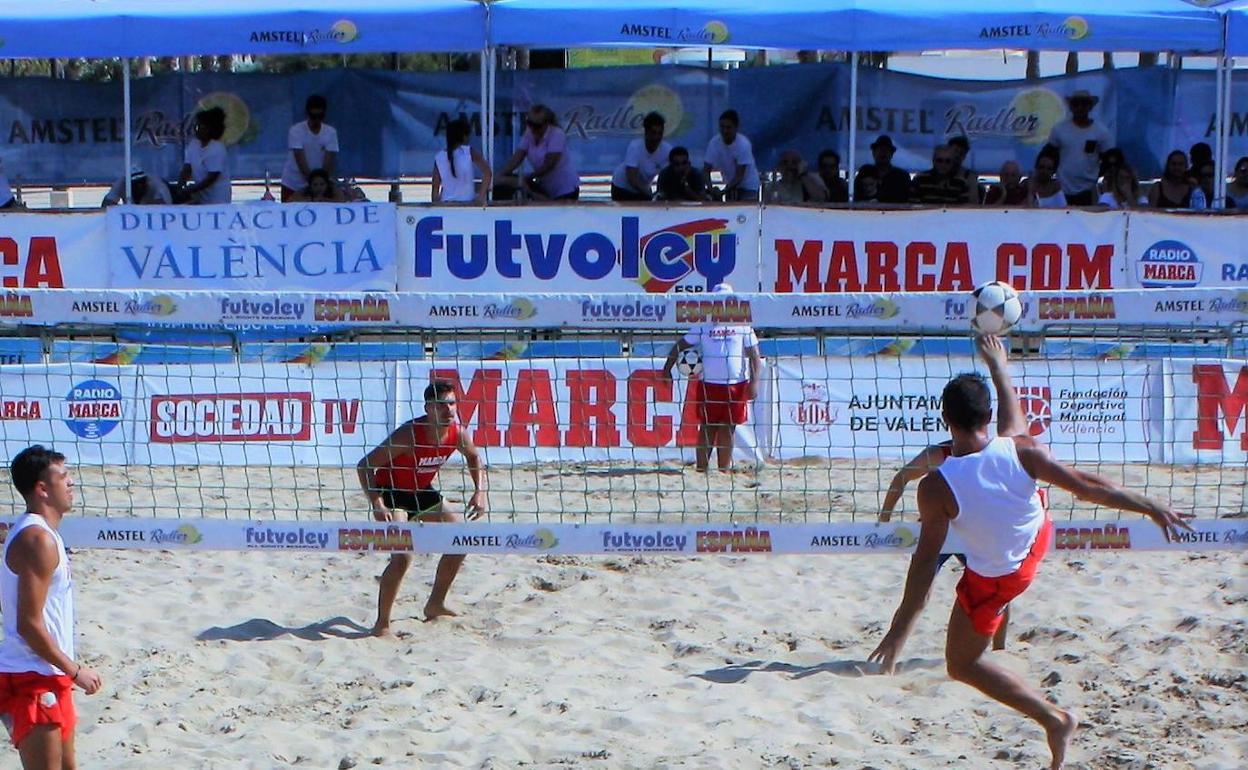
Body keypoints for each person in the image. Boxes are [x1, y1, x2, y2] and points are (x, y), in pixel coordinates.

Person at [868, 348, 1192, 770]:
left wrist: (898, 627)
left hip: (999, 576)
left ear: (945, 419)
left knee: (962, 664)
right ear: (987, 417)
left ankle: (1054, 719)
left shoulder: (934, 487)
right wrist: (1149, 505)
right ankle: (1000, 368)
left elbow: (925, 563)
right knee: (1020, 444)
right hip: (1037, 540)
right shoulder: (1023, 450)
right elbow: (1089, 488)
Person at [878, 336, 1023, 652]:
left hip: (964, 531)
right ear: (986, 417)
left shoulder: (972, 454)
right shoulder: (959, 453)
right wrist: (883, 520)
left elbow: (900, 479)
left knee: (927, 592)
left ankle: (999, 650)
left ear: (946, 418)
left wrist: (884, 518)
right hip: (947, 530)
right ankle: (997, 651)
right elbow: (900, 478)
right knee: (926, 593)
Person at [0, 445, 103, 769]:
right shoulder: (37, 540)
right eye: (64, 476)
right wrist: (76, 671)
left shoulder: (44, 534)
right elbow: (28, 624)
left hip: (48, 672)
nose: (71, 482)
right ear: (42, 489)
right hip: (30, 678)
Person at [357, 381, 486, 635]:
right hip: (392, 492)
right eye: (441, 405)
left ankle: (435, 604)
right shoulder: (409, 435)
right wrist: (377, 503)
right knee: (402, 556)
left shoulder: (457, 433)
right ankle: (382, 625)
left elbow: (473, 456)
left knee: (461, 540)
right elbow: (365, 465)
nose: (449, 410)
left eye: (452, 404)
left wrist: (479, 491)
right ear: (428, 408)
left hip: (421, 491)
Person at [660, 283, 762, 472]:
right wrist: (667, 369)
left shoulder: (742, 324)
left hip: (736, 384)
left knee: (728, 428)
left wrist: (755, 382)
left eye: (726, 300)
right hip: (709, 385)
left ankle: (723, 470)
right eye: (719, 301)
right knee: (707, 427)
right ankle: (702, 469)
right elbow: (680, 345)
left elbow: (755, 355)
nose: (723, 304)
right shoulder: (703, 323)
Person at [498, 104, 580, 202]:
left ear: (547, 124)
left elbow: (549, 165)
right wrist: (501, 175)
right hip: (546, 187)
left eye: (537, 126)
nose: (532, 128)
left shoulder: (557, 134)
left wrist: (527, 178)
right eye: (529, 123)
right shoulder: (529, 134)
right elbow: (517, 158)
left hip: (565, 188)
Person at [1046, 90, 1112, 206]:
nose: (1080, 107)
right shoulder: (1059, 129)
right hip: (1062, 189)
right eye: (1076, 104)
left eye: (1084, 104)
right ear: (1071, 107)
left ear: (1090, 107)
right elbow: (1049, 156)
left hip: (1089, 189)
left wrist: (1095, 175)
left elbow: (1108, 161)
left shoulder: (1101, 132)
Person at [281, 94, 339, 203]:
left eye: (320, 116)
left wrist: (319, 185)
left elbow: (328, 162)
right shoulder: (296, 131)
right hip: (294, 183)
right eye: (313, 116)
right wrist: (313, 183)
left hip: (318, 185)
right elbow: (300, 160)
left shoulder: (331, 132)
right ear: (307, 114)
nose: (316, 120)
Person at [610, 111, 671, 202]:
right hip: (622, 188)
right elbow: (631, 178)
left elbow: (667, 176)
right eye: (653, 133)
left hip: (644, 188)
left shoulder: (667, 150)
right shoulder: (635, 147)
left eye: (659, 133)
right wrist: (649, 195)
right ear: (646, 133)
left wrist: (660, 193)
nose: (656, 137)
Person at [177, 106, 231, 204]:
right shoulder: (193, 145)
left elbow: (212, 178)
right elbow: (187, 169)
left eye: (199, 126)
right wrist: (180, 185)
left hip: (218, 200)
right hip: (200, 198)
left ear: (209, 129)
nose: (196, 129)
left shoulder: (217, 148)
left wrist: (191, 190)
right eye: (195, 126)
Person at [703, 109, 760, 202]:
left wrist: (723, 191)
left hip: (749, 187)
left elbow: (739, 176)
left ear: (736, 128)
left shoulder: (743, 144)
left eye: (728, 127)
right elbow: (706, 170)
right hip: (730, 186)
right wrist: (711, 189)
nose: (725, 131)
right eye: (722, 127)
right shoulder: (714, 143)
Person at [432, 117, 490, 205]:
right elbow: (488, 173)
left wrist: (436, 206)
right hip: (467, 204)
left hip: (445, 204)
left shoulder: (439, 156)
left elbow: (435, 188)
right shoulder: (469, 151)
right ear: (464, 137)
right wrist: (480, 196)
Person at [854, 135, 911, 204]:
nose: (883, 153)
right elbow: (856, 196)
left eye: (886, 150)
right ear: (873, 153)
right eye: (880, 150)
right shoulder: (865, 171)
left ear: (892, 154)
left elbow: (906, 201)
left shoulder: (902, 176)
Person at [102, 167, 172, 206]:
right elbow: (106, 206)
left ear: (146, 180)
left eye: (141, 182)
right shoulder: (121, 184)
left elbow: (163, 209)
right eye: (135, 183)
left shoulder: (156, 185)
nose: (139, 186)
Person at [945, 135, 981, 204]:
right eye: (955, 151)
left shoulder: (969, 177)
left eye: (961, 153)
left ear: (964, 156)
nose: (957, 155)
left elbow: (973, 203)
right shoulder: (928, 176)